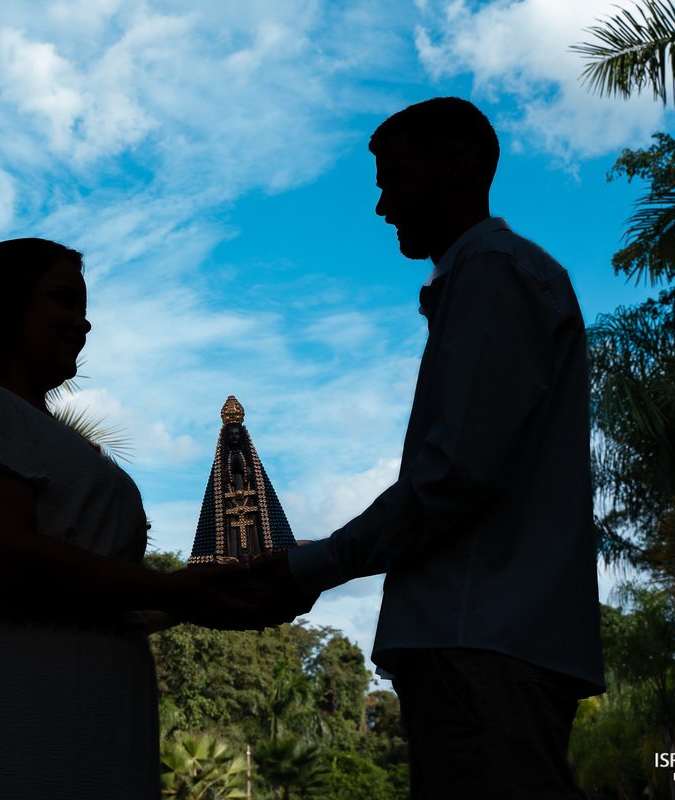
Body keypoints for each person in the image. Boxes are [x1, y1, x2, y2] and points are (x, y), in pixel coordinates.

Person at [250, 98, 606, 797]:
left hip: (478, 642)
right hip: (488, 644)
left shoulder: (492, 272)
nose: (383, 206)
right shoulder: (496, 277)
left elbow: (453, 475)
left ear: (455, 168)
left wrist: (309, 567)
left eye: (396, 179)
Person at [0, 238, 253, 799]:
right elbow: (3, 558)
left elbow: (103, 602)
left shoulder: (51, 436)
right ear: (3, 305)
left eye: (84, 308)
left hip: (83, 723)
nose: (83, 323)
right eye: (64, 301)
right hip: (1, 712)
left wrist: (221, 591)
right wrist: (177, 590)